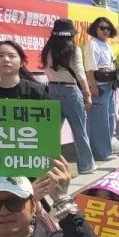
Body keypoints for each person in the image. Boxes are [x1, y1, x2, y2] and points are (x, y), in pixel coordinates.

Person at [41, 20, 95, 175]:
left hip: (52, 90)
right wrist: (87, 93)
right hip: (70, 91)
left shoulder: (48, 50)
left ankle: (51, 167)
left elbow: (46, 70)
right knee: (79, 130)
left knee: (52, 132)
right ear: (71, 34)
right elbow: (79, 72)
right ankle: (86, 166)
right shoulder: (73, 49)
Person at [85, 17, 119, 161]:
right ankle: (100, 152)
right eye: (102, 27)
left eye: (108, 28)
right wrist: (93, 86)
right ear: (95, 29)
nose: (106, 30)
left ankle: (107, 149)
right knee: (98, 120)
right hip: (99, 86)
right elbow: (90, 67)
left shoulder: (107, 45)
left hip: (110, 85)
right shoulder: (92, 44)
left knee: (110, 117)